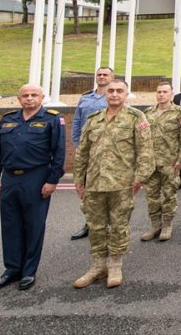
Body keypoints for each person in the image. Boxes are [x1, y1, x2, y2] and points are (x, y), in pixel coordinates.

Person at [72, 79, 154, 289]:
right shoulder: (93, 119)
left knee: (118, 226)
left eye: (119, 91)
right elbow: (82, 151)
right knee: (96, 226)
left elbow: (145, 151)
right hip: (95, 183)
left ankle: (115, 264)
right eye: (111, 91)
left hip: (122, 184)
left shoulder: (136, 117)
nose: (115, 94)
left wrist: (140, 178)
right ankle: (99, 266)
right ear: (105, 93)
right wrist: (79, 179)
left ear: (126, 94)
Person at [0, 84, 65, 292]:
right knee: (10, 225)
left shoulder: (52, 119)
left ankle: (29, 271)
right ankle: (12, 269)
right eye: (25, 96)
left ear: (42, 97)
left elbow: (58, 153)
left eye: (34, 95)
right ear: (19, 99)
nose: (29, 99)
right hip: (10, 178)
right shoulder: (8, 120)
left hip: (36, 177)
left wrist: (52, 180)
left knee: (34, 225)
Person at [139, 81, 181, 243]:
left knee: (169, 194)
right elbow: (142, 137)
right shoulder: (148, 113)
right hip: (150, 162)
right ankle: (155, 225)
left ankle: (167, 225)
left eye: (165, 92)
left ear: (171, 93)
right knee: (151, 195)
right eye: (159, 92)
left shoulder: (179, 112)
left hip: (170, 162)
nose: (161, 94)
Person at [69, 66, 113, 241]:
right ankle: (89, 223)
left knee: (109, 189)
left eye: (105, 74)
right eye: (99, 74)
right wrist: (78, 145)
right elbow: (77, 123)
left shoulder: (115, 97)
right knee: (86, 189)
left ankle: (107, 225)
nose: (101, 77)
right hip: (88, 151)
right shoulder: (85, 98)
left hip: (108, 152)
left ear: (112, 77)